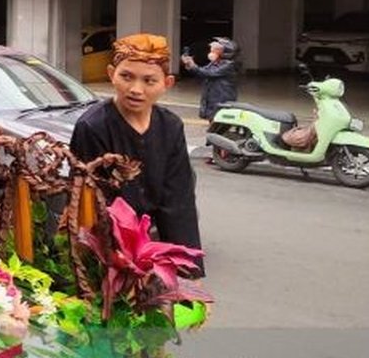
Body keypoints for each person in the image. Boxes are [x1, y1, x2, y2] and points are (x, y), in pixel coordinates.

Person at [69, 33, 203, 269]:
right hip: (106, 247)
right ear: (111, 74)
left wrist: (186, 267)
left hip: (150, 246)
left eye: (149, 81)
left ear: (167, 83)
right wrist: (113, 256)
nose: (136, 89)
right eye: (126, 77)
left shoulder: (170, 126)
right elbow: (90, 201)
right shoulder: (92, 126)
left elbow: (179, 200)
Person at [181, 37, 240, 121]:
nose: (211, 52)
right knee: (212, 120)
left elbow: (209, 73)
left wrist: (193, 65)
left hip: (222, 98)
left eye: (215, 50)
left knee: (219, 122)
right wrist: (189, 65)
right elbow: (202, 71)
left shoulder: (229, 65)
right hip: (212, 96)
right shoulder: (215, 62)